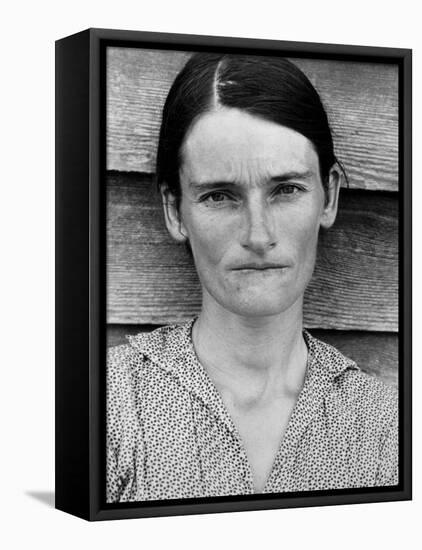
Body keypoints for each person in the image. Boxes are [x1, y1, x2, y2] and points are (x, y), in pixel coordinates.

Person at [106, 53, 398, 503]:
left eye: (286, 190)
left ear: (330, 195)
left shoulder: (386, 426)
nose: (258, 235)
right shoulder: (107, 405)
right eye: (219, 196)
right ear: (174, 209)